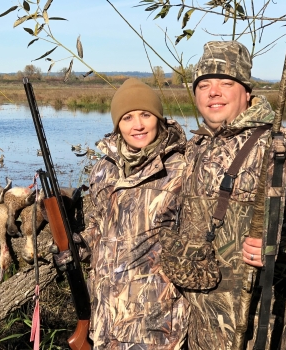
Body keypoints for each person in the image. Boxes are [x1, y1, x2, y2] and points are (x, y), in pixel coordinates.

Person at [159, 40, 286, 349]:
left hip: (260, 315)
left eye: (226, 83)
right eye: (204, 85)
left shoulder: (280, 145)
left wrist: (280, 243)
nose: (214, 92)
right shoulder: (194, 148)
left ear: (247, 93)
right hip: (199, 317)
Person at [65, 78, 190, 349]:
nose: (138, 125)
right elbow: (100, 226)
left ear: (158, 118)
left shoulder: (182, 168)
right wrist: (78, 246)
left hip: (156, 322)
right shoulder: (103, 169)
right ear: (117, 125)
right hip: (105, 316)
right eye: (128, 117)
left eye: (146, 115)